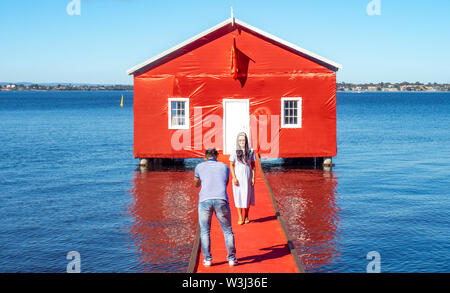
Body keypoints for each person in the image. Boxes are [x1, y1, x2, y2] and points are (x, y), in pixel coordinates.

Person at [194, 148, 238, 267]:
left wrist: (200, 181)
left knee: (205, 231)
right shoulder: (224, 167)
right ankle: (232, 259)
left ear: (205, 157)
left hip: (204, 200)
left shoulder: (199, 167)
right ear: (217, 157)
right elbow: (225, 183)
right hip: (221, 199)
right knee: (227, 230)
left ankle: (208, 260)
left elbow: (196, 184)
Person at [229, 132, 256, 225]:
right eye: (240, 140)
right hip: (238, 176)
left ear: (246, 140)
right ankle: (240, 217)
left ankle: (246, 215)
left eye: (243, 140)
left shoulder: (251, 151)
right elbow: (231, 165)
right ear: (238, 141)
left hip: (247, 175)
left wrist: (253, 178)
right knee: (238, 196)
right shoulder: (234, 152)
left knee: (247, 195)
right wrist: (234, 177)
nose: (242, 142)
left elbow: (253, 165)